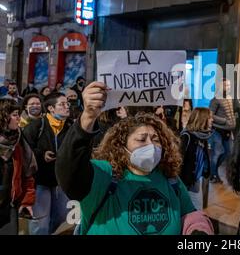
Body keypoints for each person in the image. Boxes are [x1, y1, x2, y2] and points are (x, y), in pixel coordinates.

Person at [55, 82, 214, 235]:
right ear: (121, 146)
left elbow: (189, 214)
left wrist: (198, 230)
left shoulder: (170, 180)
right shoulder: (105, 176)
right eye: (141, 139)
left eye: (156, 139)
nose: (150, 145)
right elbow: (69, 171)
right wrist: (87, 117)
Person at [22, 93, 73, 235]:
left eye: (67, 103)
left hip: (61, 183)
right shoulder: (36, 126)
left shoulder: (70, 126)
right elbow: (24, 149)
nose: (67, 107)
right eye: (62, 104)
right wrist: (41, 154)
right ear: (51, 108)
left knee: (61, 217)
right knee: (40, 224)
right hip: (40, 182)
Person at [0, 99, 37, 235]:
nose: (19, 119)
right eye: (15, 114)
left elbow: (27, 174)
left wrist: (27, 201)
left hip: (9, 206)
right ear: (4, 116)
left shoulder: (19, 141)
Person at [179, 108, 213, 210]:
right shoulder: (186, 136)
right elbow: (178, 161)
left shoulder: (203, 137)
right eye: (210, 117)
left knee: (196, 210)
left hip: (196, 181)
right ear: (202, 119)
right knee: (194, 211)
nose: (212, 120)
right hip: (185, 184)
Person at [209, 79, 236, 184]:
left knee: (228, 153)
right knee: (217, 153)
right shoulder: (215, 99)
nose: (228, 88)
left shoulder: (229, 98)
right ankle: (213, 175)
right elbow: (210, 114)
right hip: (217, 131)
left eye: (229, 85)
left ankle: (213, 171)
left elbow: (231, 113)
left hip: (228, 132)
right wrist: (224, 121)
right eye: (225, 86)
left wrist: (232, 125)